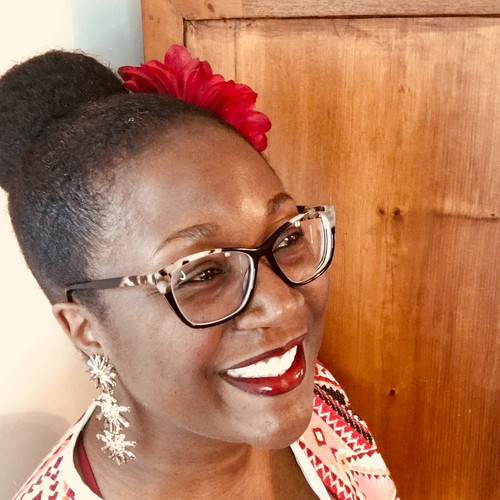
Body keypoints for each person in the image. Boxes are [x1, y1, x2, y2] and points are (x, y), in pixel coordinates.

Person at [0, 45, 398, 499]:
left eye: (286, 238)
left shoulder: (299, 385)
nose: (285, 306)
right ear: (85, 328)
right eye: (202, 274)